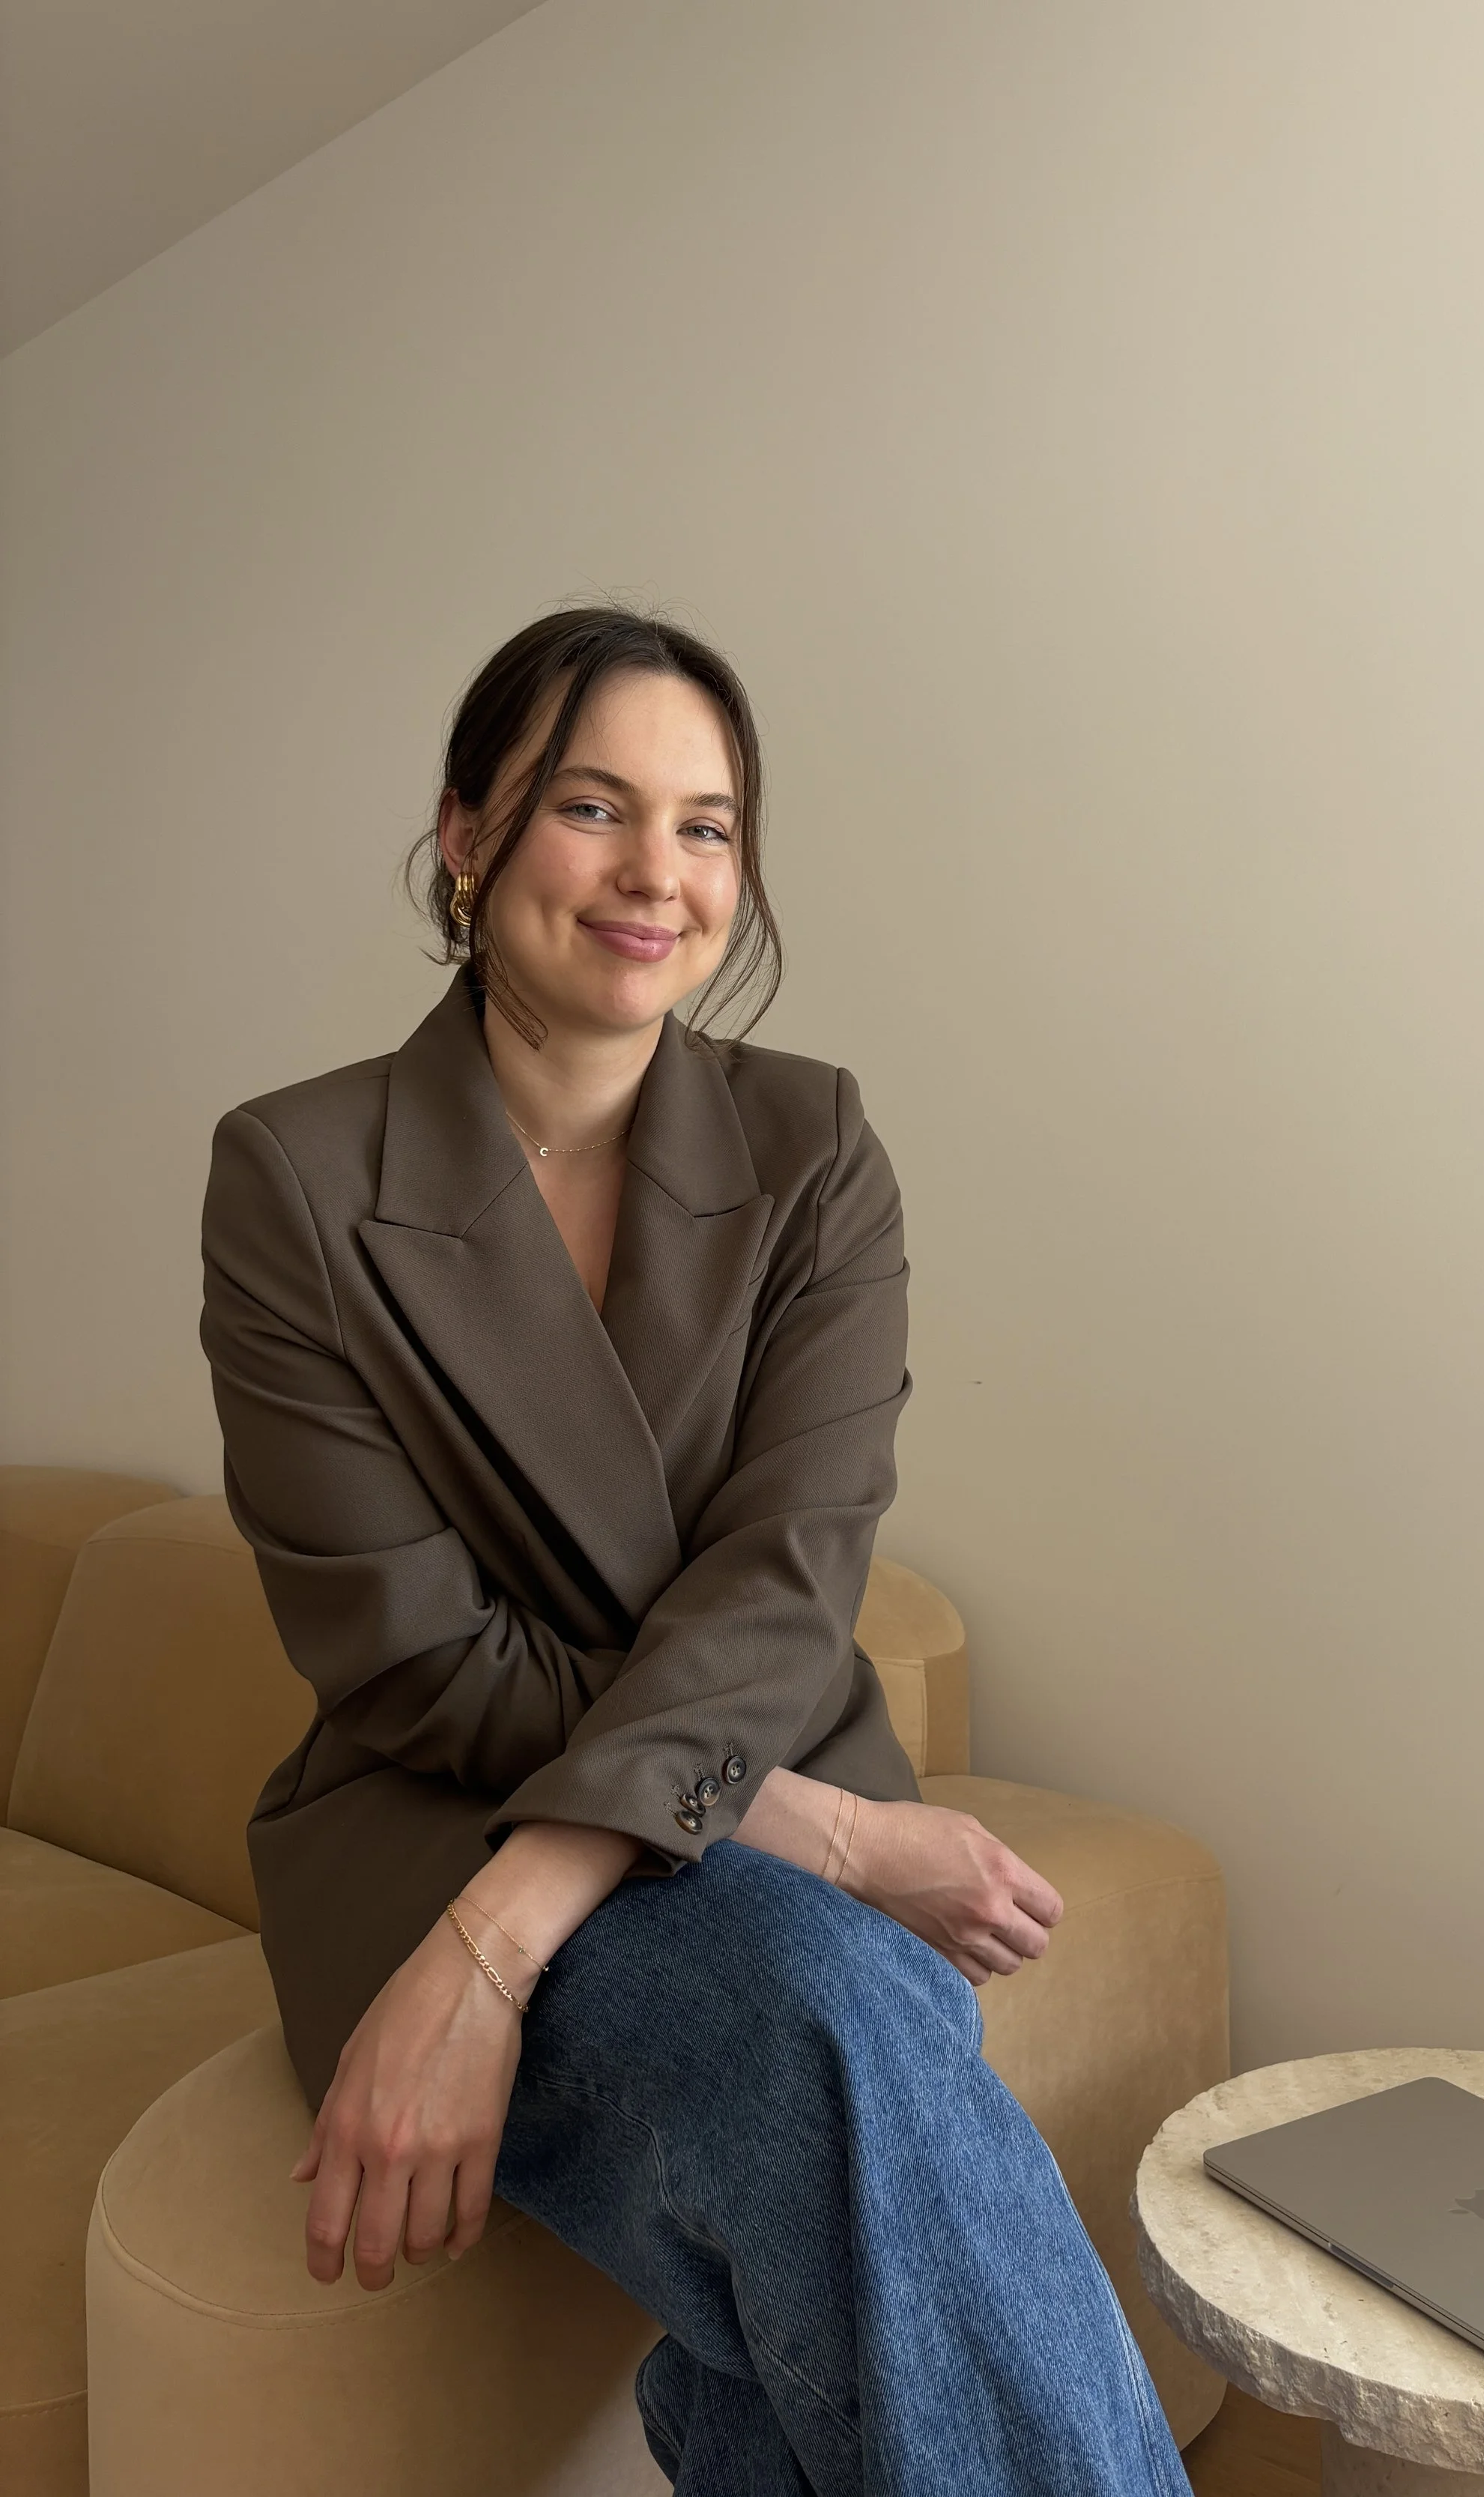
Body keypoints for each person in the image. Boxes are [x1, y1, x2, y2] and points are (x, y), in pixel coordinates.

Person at [199, 605, 1191, 2496]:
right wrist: (815, 1831)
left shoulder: (812, 1144)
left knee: (842, 2030)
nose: (660, 874)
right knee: (838, 2011)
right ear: (468, 833)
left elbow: (786, 1573)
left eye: (710, 823)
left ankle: (737, 2428)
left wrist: (510, 1947)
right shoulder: (297, 1179)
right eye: (594, 805)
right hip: (438, 1818)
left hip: (696, 1779)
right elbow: (418, 1663)